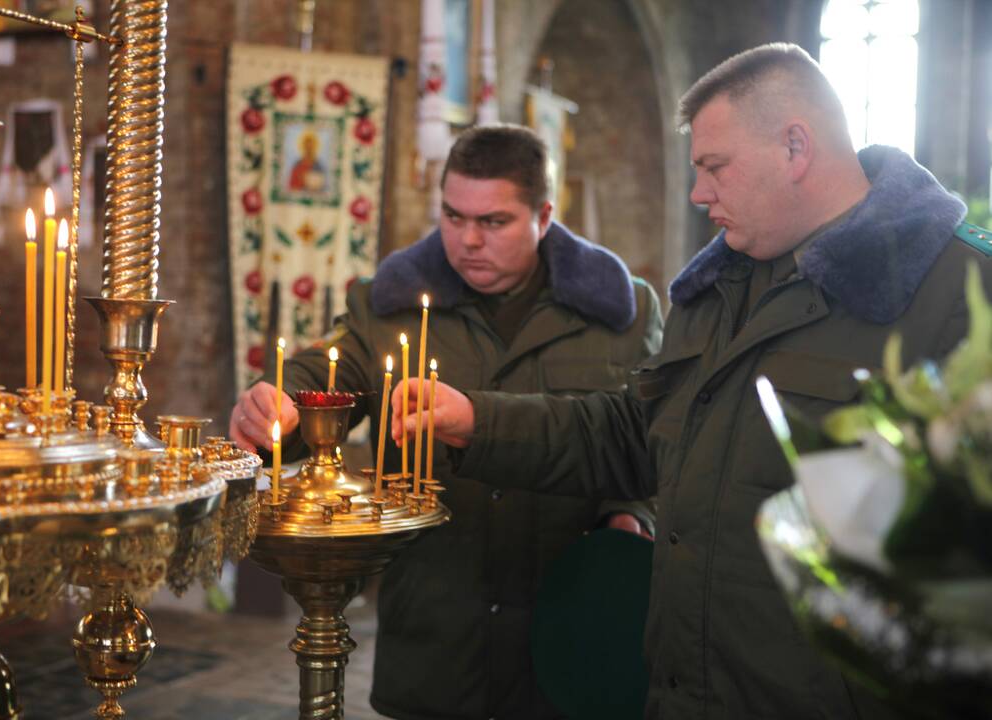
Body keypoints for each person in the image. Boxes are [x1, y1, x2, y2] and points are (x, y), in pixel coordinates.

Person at [404, 44, 992, 719]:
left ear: (794, 148)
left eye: (714, 167)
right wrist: (476, 421)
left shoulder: (957, 294)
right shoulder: (716, 286)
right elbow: (637, 431)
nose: (697, 193)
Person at [230, 124, 664, 720]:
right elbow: (329, 373)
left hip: (567, 630)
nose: (467, 241)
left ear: (544, 215)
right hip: (438, 632)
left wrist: (632, 515)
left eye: (493, 222)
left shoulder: (622, 312)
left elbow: (656, 445)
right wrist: (280, 405)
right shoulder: (393, 305)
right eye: (453, 216)